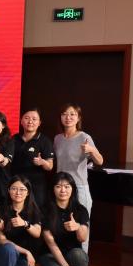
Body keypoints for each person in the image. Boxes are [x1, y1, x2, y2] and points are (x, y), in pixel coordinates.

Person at [54, 103, 102, 250]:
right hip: (61, 188)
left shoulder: (84, 137)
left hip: (79, 187)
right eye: (64, 114)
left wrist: (91, 150)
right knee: (62, 225)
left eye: (72, 114)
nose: (68, 117)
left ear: (78, 117)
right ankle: (64, 260)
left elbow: (99, 161)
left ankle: (82, 260)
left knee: (82, 227)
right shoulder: (57, 138)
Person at [39, 172, 90, 266]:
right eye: (58, 186)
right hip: (49, 254)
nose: (63, 190)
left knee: (80, 256)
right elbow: (51, 244)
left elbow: (83, 238)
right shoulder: (45, 210)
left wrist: (77, 226)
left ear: (72, 189)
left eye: (67, 186)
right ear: (53, 189)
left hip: (71, 252)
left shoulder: (80, 210)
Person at [11, 109, 55, 211]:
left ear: (39, 123)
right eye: (27, 118)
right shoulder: (14, 139)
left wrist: (42, 162)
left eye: (34, 119)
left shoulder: (44, 141)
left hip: (36, 186)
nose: (30, 121)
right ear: (21, 121)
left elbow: (50, 166)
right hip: (17, 185)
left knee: (36, 212)